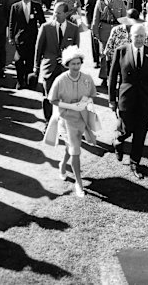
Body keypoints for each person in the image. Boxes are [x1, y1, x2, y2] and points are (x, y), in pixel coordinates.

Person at [108, 24, 148, 179]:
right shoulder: (121, 51)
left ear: (145, 37)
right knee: (127, 128)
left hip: (144, 99)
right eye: (136, 36)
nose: (139, 39)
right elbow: (112, 78)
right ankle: (118, 141)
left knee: (140, 133)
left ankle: (134, 163)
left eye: (142, 36)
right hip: (126, 98)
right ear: (130, 36)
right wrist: (112, 100)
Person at [46, 46, 97, 197]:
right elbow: (52, 100)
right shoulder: (60, 80)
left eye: (78, 63)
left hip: (81, 120)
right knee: (75, 151)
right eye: (72, 64)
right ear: (67, 64)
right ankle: (79, 183)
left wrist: (84, 102)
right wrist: (70, 106)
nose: (76, 66)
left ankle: (62, 164)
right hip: (65, 121)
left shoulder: (87, 78)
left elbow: (92, 94)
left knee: (72, 148)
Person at [34, 2, 80, 122]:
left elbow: (75, 51)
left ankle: (62, 123)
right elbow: (38, 49)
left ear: (66, 14)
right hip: (49, 68)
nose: (55, 15)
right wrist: (36, 67)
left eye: (59, 13)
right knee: (48, 97)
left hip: (65, 70)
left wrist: (68, 61)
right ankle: (48, 123)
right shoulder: (46, 27)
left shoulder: (73, 29)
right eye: (55, 12)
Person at [9, 0, 46, 90]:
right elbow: (12, 23)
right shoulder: (15, 7)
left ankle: (30, 81)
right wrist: (11, 37)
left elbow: (42, 22)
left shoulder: (36, 6)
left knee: (31, 61)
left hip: (33, 38)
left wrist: (44, 36)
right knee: (19, 60)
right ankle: (20, 81)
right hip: (19, 39)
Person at [92, 0, 127, 84]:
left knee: (117, 54)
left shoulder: (120, 2)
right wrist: (95, 33)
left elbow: (124, 19)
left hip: (117, 30)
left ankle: (117, 77)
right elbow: (96, 18)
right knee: (104, 54)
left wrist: (124, 33)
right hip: (104, 30)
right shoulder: (100, 2)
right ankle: (104, 76)